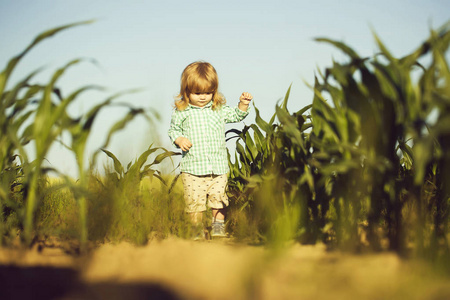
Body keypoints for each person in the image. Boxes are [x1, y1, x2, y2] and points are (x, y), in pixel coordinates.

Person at [168, 61, 252, 240]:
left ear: (214, 91)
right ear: (186, 91)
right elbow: (173, 130)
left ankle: (218, 227)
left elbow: (236, 115)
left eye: (208, 92)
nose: (203, 97)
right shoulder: (182, 112)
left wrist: (243, 104)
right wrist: (180, 139)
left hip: (218, 167)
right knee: (195, 203)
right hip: (193, 169)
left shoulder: (218, 109)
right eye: (197, 92)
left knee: (219, 200)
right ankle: (196, 230)